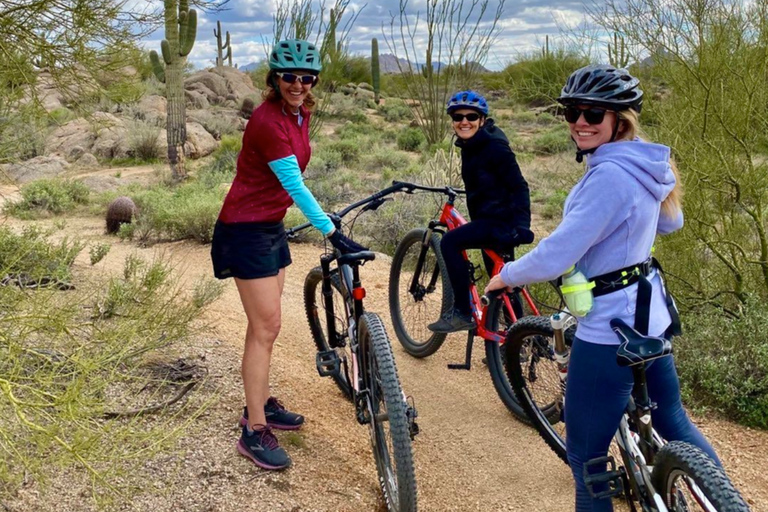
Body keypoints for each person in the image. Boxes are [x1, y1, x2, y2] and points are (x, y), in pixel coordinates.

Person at [485, 64, 722, 511]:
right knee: (673, 419)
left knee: (587, 461)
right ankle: (729, 503)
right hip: (651, 314)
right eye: (571, 111)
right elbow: (673, 222)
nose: (580, 122)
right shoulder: (646, 162)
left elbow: (557, 254)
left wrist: (507, 276)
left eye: (593, 113)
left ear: (620, 119)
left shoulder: (608, 176)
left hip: (609, 326)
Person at [211, 39, 366, 471]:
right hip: (245, 230)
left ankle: (256, 403)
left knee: (265, 326)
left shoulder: (299, 113)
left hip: (269, 225)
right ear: (274, 79)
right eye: (289, 77)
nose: (298, 84)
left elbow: (290, 184)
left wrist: (326, 221)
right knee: (267, 326)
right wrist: (330, 229)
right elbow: (294, 184)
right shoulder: (266, 121)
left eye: (306, 77)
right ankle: (253, 429)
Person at [427, 90, 533, 333]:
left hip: (500, 222)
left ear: (482, 119)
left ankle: (462, 312)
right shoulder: (472, 144)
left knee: (450, 243)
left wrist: (522, 226)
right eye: (458, 117)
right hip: (494, 218)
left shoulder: (495, 147)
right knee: (502, 280)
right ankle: (520, 341)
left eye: (471, 116)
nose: (464, 121)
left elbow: (519, 186)